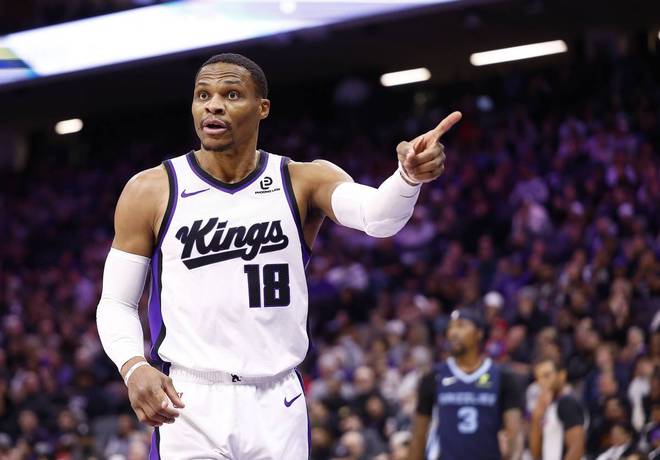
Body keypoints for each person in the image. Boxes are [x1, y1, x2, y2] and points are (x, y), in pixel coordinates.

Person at [95, 52, 461, 459]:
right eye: (203, 95)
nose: (213, 105)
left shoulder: (302, 179)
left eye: (231, 94)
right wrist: (132, 365)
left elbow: (378, 218)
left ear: (262, 108)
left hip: (277, 400)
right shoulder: (151, 189)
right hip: (190, 399)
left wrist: (408, 177)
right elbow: (117, 301)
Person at [408, 309, 524, 460]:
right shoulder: (434, 377)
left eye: (461, 326)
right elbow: (418, 435)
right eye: (450, 327)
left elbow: (515, 435)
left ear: (479, 333)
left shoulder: (503, 377)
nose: (453, 333)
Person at [529, 357, 586, 460]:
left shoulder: (567, 403)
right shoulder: (548, 407)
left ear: (562, 375)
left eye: (547, 375)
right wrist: (536, 416)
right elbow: (535, 453)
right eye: (538, 378)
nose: (542, 381)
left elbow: (576, 448)